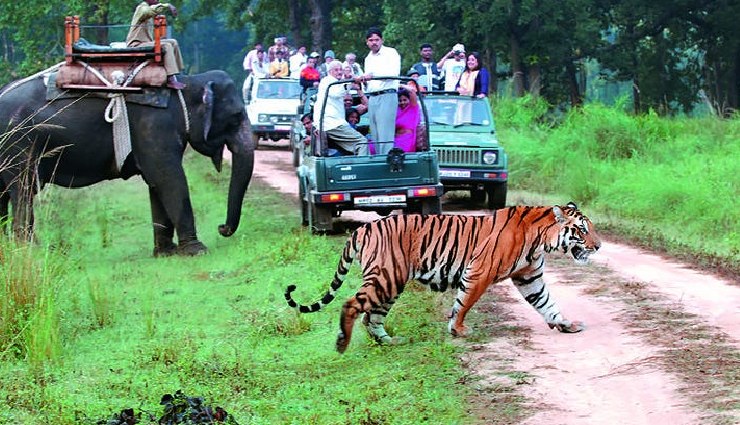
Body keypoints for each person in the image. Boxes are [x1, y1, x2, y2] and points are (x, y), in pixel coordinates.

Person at [126, 0, 185, 89]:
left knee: (173, 42)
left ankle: (178, 72)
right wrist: (167, 5)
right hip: (136, 44)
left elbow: (154, 12)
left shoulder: (149, 11)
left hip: (145, 43)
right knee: (166, 46)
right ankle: (170, 79)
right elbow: (148, 11)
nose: (157, 0)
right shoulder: (141, 8)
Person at [360, 27, 401, 155]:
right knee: (375, 132)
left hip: (387, 94)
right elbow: (369, 82)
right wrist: (364, 81)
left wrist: (372, 75)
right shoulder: (368, 58)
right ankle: (379, 159)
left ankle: (386, 161)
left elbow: (393, 73)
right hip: (373, 97)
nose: (374, 42)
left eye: (376, 40)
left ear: (382, 40)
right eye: (371, 40)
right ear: (367, 42)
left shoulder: (390, 53)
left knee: (385, 133)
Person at [313, 61, 368, 156]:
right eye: (336, 70)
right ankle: (362, 168)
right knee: (362, 142)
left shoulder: (337, 83)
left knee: (355, 146)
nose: (339, 72)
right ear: (329, 71)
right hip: (332, 124)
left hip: (334, 124)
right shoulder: (328, 81)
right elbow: (337, 93)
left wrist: (355, 84)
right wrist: (350, 80)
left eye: (340, 70)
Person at [393, 84, 420, 152]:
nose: (402, 102)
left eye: (405, 100)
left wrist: (400, 85)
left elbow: (412, 91)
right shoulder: (397, 111)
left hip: (406, 140)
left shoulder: (413, 108)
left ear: (409, 100)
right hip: (394, 139)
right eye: (400, 100)